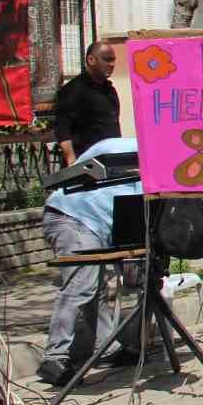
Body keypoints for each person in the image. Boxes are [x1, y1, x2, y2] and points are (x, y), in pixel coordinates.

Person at [37, 135, 143, 386]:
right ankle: (54, 357)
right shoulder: (127, 153)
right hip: (72, 218)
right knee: (80, 287)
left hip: (81, 219)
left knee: (94, 288)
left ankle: (106, 347)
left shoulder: (112, 144)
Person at [54, 41, 121, 166]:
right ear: (91, 60)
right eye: (107, 60)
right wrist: (71, 160)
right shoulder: (73, 90)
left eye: (113, 60)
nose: (112, 65)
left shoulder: (110, 90)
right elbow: (62, 129)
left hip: (111, 160)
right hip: (85, 162)